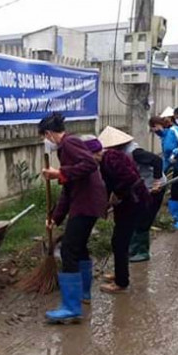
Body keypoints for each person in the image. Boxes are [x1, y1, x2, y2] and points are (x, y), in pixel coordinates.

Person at [39, 113, 108, 323]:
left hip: (86, 204)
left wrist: (59, 172)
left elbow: (90, 164)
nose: (45, 141)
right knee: (79, 247)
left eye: (43, 136)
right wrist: (55, 218)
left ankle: (71, 307)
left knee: (69, 249)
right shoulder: (67, 147)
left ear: (49, 134)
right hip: (87, 202)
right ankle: (84, 294)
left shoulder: (69, 143)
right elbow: (68, 190)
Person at [88, 130, 149, 294]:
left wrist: (118, 195)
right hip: (128, 203)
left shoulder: (112, 158)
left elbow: (128, 179)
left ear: (93, 153)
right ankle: (120, 274)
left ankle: (121, 282)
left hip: (134, 202)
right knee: (119, 240)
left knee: (119, 242)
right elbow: (109, 185)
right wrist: (105, 204)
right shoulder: (107, 159)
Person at [97, 127, 167, 263]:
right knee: (135, 219)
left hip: (152, 188)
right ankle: (132, 249)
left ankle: (141, 252)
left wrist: (157, 181)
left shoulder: (135, 152)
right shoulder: (113, 157)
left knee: (143, 220)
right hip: (139, 187)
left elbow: (157, 161)